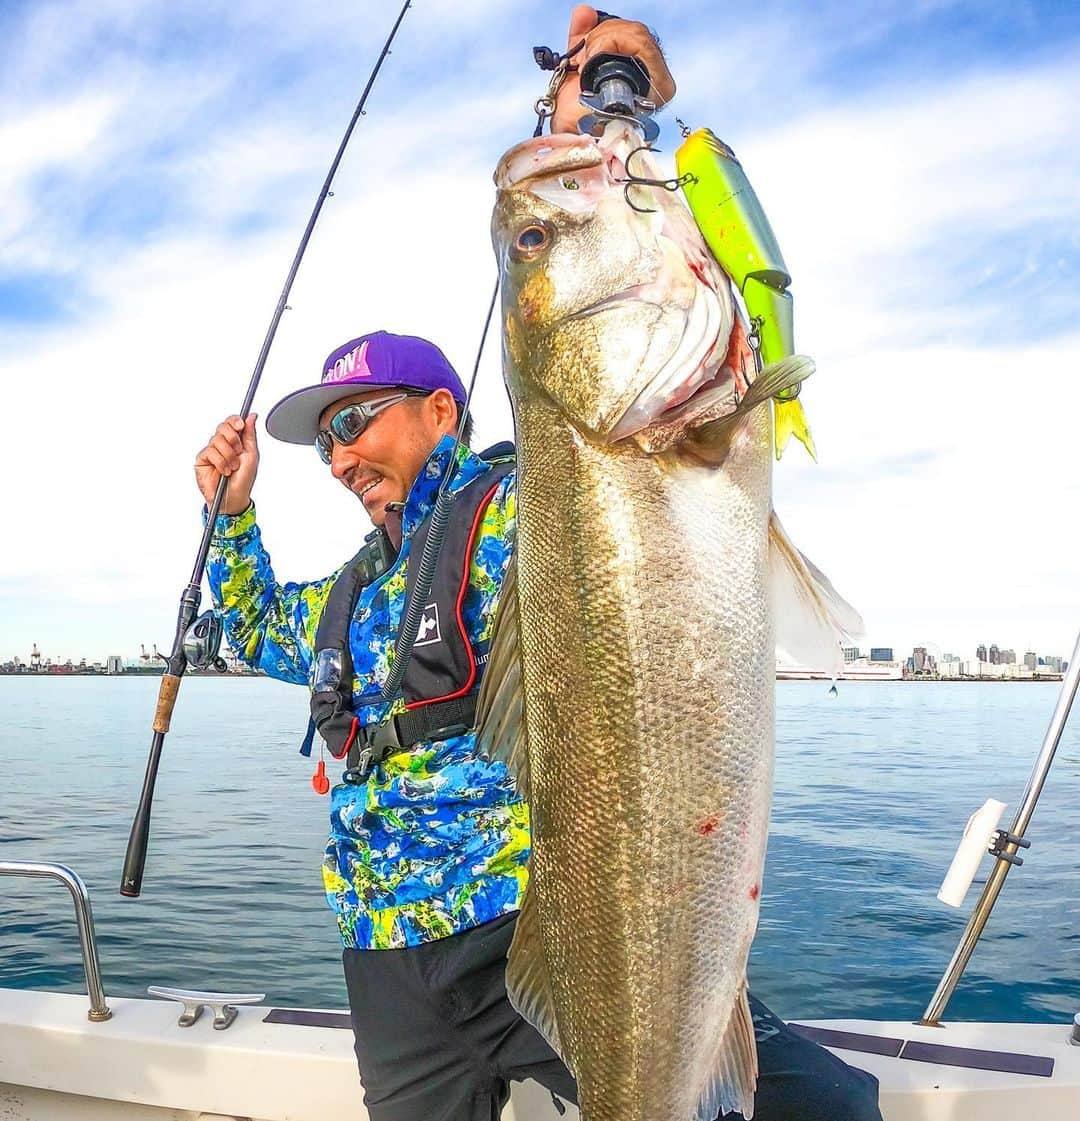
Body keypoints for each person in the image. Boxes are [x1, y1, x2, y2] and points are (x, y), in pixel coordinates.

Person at [195, 7, 884, 1120]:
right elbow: (255, 624)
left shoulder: (533, 495)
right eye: (321, 438)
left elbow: (674, 298)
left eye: (355, 419)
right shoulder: (356, 594)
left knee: (828, 1107)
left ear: (438, 408)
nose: (337, 453)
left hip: (545, 922)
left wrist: (608, 117)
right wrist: (232, 518)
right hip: (387, 954)